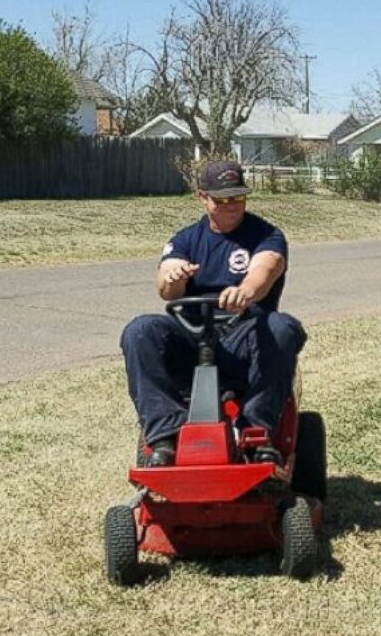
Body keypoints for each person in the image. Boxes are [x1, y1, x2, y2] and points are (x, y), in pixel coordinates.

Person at [120, 159, 306, 467]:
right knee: (140, 331)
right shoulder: (185, 240)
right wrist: (174, 278)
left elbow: (267, 267)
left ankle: (256, 431)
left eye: (238, 197)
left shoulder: (266, 235)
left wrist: (246, 291)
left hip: (246, 338)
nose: (232, 205)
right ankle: (165, 434)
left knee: (282, 326)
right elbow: (165, 286)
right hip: (193, 337)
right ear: (202, 196)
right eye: (222, 198)